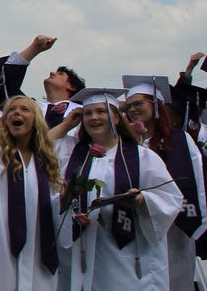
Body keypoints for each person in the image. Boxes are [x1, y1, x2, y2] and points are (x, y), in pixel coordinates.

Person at [53, 87, 182, 291]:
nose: (94, 117)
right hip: (83, 250)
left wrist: (142, 200)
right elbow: (53, 194)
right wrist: (60, 200)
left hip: (127, 253)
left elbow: (170, 198)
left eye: (101, 112)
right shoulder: (73, 159)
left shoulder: (142, 157)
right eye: (88, 113)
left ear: (115, 118)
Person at [121, 76, 207, 291]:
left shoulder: (180, 139)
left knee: (175, 278)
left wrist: (198, 216)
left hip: (174, 225)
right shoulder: (127, 145)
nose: (133, 109)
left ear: (156, 105)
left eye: (139, 103)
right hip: (137, 223)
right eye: (129, 106)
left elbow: (197, 179)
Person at [0, 95, 64, 291]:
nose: (17, 112)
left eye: (25, 109)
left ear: (36, 120)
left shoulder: (47, 162)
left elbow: (54, 205)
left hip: (38, 249)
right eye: (12, 109)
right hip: (3, 245)